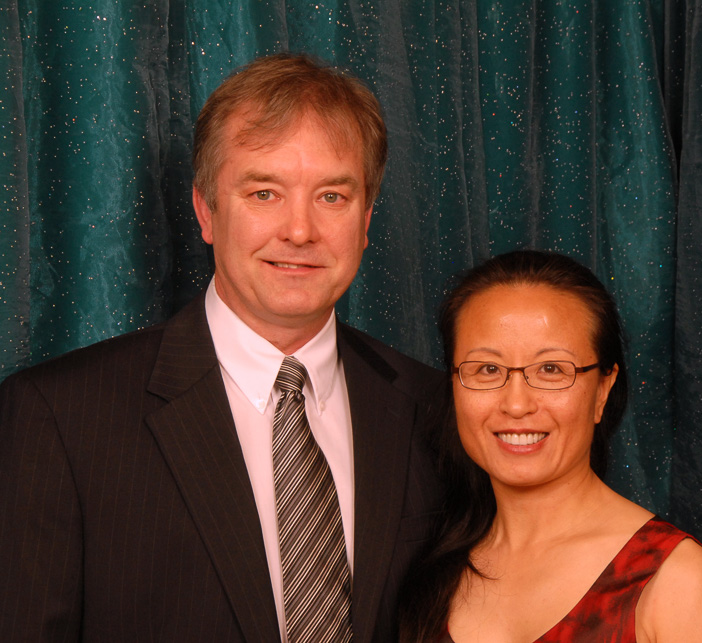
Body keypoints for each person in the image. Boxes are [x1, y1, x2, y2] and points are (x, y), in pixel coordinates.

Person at [0, 53, 444, 643]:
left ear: (365, 220)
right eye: (264, 193)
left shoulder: (434, 409)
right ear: (206, 211)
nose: (300, 231)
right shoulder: (59, 416)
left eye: (332, 197)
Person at [399, 250, 702, 642]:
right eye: (488, 369)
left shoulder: (675, 579)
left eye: (551, 369)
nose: (516, 404)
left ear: (603, 390)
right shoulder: (426, 565)